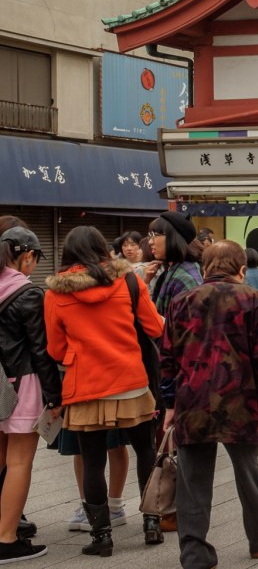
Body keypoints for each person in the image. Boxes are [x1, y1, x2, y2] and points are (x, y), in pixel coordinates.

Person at [161, 241, 258, 568]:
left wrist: (168, 403)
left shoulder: (181, 301)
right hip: (241, 399)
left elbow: (167, 357)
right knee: (248, 469)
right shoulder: (252, 300)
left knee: (192, 480)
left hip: (192, 400)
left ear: (205, 268)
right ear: (240, 269)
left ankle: (195, 554)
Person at [44, 226, 164, 556]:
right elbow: (154, 327)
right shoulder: (128, 280)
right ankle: (152, 522)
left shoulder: (56, 293)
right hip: (130, 380)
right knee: (145, 451)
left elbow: (54, 349)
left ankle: (101, 538)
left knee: (93, 462)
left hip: (85, 385)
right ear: (103, 249)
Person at [0, 228, 59, 563]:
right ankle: (6, 539)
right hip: (21, 385)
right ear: (26, 255)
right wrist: (54, 396)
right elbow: (41, 350)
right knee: (19, 461)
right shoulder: (27, 293)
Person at [145, 212, 203, 319]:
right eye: (150, 235)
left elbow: (184, 326)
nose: (150, 242)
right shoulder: (170, 269)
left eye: (155, 235)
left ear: (173, 237)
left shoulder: (186, 277)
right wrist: (147, 282)